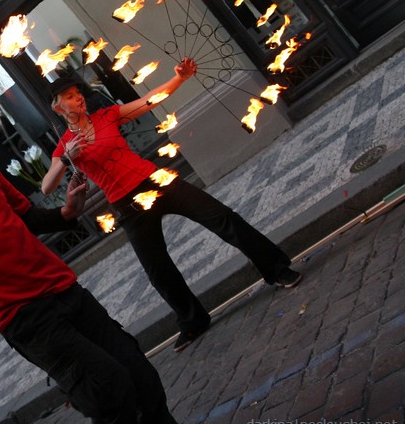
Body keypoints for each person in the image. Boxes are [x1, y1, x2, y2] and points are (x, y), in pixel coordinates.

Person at [0, 101, 188, 424]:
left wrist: (66, 213)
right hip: (26, 319)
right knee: (109, 392)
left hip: (64, 290)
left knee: (140, 375)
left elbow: (27, 217)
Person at [42, 58, 302, 352]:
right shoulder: (64, 146)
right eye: (69, 96)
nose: (78, 98)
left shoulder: (107, 116)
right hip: (128, 206)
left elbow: (150, 101)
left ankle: (278, 270)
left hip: (157, 181)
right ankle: (193, 321)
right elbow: (47, 186)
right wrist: (66, 159)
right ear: (58, 107)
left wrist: (180, 78)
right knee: (159, 271)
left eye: (78, 93)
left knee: (223, 218)